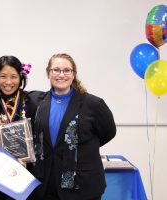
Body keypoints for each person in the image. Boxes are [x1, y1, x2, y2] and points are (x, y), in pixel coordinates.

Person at [28, 53, 116, 200]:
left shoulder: (94, 104)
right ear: (48, 73)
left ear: (73, 74)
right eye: (56, 70)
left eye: (67, 70)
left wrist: (81, 148)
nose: (61, 74)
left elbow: (109, 133)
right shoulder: (37, 101)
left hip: (82, 186)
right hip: (46, 185)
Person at [0, 55, 42, 200]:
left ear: (21, 78)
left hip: (25, 175)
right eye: (3, 76)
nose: (8, 82)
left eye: (13, 76)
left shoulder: (31, 102)